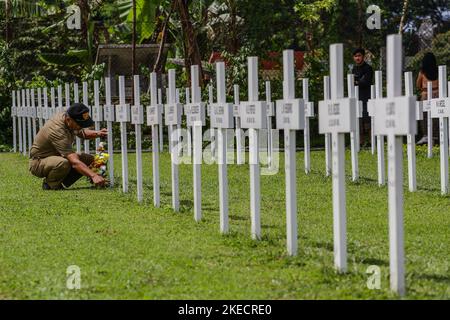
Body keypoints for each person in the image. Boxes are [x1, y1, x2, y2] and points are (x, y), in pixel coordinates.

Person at [29, 103, 108, 190]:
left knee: (89, 159)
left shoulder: (70, 120)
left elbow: (82, 133)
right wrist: (93, 175)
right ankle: (50, 184)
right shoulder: (58, 130)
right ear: (68, 120)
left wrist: (98, 133)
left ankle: (65, 181)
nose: (81, 127)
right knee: (63, 163)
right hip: (39, 161)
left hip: (56, 157)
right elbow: (74, 162)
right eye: (80, 124)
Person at [352, 48, 373, 147]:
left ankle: (372, 141)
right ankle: (360, 142)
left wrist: (357, 82)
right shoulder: (353, 69)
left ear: (363, 57)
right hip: (356, 97)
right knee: (358, 120)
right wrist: (357, 82)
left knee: (367, 120)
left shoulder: (368, 68)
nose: (357, 58)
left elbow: (365, 82)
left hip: (366, 97)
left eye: (359, 56)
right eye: (355, 56)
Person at [416, 52, 439, 145]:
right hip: (437, 94)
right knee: (436, 115)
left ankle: (426, 135)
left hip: (425, 95)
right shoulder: (438, 70)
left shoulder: (422, 72)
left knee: (424, 116)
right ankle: (436, 135)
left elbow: (418, 85)